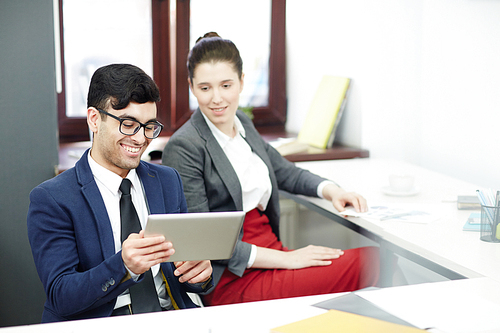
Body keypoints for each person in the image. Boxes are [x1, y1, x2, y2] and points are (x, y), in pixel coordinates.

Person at [162, 32, 380, 306]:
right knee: (369, 261)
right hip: (233, 275)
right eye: (205, 88)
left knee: (371, 260)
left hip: (273, 253)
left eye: (226, 85)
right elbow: (205, 240)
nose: (217, 98)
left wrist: (332, 190)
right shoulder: (185, 145)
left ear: (242, 82)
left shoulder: (241, 123)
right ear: (192, 87)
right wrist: (289, 259)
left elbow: (284, 171)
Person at [27, 64, 213, 322]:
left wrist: (200, 276)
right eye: (128, 124)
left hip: (170, 318)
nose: (140, 139)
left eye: (149, 126)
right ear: (94, 119)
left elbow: (184, 278)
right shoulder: (52, 199)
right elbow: (61, 295)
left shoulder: (167, 181)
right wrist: (123, 266)